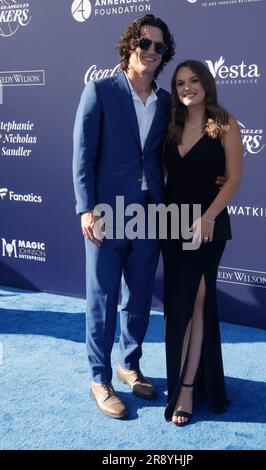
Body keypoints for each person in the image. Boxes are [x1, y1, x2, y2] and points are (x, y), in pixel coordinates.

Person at [72, 15, 175, 419]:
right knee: (102, 296)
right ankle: (99, 377)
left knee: (139, 294)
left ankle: (129, 364)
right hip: (106, 213)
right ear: (129, 46)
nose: (151, 52)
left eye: (159, 47)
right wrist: (85, 208)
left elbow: (182, 149)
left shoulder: (167, 102)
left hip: (150, 213)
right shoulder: (99, 91)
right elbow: (83, 155)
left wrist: (217, 169)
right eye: (144, 44)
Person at [162, 60, 243, 426]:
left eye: (193, 80)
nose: (186, 88)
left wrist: (208, 216)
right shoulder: (171, 123)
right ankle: (181, 376)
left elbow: (234, 180)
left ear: (206, 84)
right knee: (178, 305)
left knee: (197, 299)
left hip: (207, 225)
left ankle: (189, 388)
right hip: (171, 225)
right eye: (180, 83)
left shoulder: (224, 122)